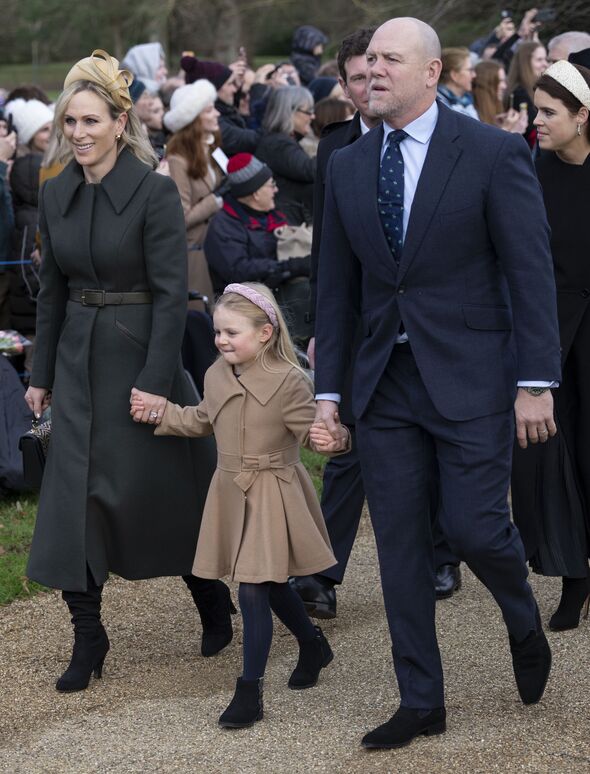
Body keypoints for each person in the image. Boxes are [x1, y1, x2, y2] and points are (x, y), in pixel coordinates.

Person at [314, 18, 561, 749]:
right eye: (368, 62)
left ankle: (520, 615)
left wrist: (536, 381)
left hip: (472, 376)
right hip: (383, 384)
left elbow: (529, 270)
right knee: (396, 546)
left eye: (392, 59)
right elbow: (335, 287)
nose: (375, 71)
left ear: (431, 73)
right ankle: (422, 699)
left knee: (475, 529)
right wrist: (329, 393)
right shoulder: (348, 166)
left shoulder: (489, 152)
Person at [23, 50, 234, 694]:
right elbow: (51, 293)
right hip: (77, 365)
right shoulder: (55, 191)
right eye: (71, 123)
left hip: (143, 361)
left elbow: (172, 296)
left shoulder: (154, 190)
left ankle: (210, 596)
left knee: (165, 496)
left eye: (92, 121)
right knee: (72, 503)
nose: (79, 134)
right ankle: (89, 636)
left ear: (120, 122)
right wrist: (39, 375)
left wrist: (155, 378)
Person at [131, 282, 348, 728]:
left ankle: (249, 691)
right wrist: (161, 412)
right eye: (218, 332)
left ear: (266, 333)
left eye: (232, 332)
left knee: (252, 587)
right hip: (230, 487)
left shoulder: (290, 381)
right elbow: (203, 420)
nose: (221, 340)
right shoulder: (215, 375)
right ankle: (312, 644)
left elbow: (313, 432)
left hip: (272, 489)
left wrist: (334, 439)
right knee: (266, 583)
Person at [511, 59, 590, 631]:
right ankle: (573, 574)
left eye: (548, 112)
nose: (536, 121)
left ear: (582, 117)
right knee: (555, 457)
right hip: (550, 330)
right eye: (535, 109)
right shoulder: (529, 169)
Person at [203, 153, 310, 295]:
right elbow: (238, 270)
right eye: (272, 185)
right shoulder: (223, 226)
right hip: (245, 305)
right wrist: (288, 266)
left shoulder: (272, 213)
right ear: (256, 193)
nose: (276, 190)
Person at [4, 97, 54, 373]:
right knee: (34, 370)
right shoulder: (29, 220)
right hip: (33, 317)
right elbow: (25, 270)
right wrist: (45, 295)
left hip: (37, 314)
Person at [164, 79, 223, 309]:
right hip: (194, 255)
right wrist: (215, 200)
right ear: (194, 119)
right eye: (209, 110)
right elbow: (181, 217)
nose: (217, 113)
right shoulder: (178, 160)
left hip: (216, 248)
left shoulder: (208, 148)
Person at [256, 87, 316, 225]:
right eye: (308, 111)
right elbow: (310, 170)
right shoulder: (278, 145)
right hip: (288, 230)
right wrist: (341, 145)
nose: (313, 116)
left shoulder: (281, 141)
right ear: (290, 112)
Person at [181, 55, 261, 156]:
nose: (235, 89)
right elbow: (252, 139)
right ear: (214, 90)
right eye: (230, 83)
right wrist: (260, 85)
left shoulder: (226, 110)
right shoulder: (214, 124)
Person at [506, 41, 548, 146]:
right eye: (539, 60)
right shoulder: (519, 93)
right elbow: (533, 128)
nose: (545, 64)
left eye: (545, 59)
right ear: (525, 63)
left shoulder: (536, 89)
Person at [473, 60, 528, 133]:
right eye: (499, 81)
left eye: (504, 81)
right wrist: (510, 130)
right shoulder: (471, 113)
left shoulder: (494, 110)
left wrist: (499, 126)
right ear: (487, 84)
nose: (504, 86)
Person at [437, 47, 479, 119]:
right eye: (470, 70)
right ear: (454, 75)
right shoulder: (440, 106)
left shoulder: (465, 102)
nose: (474, 75)